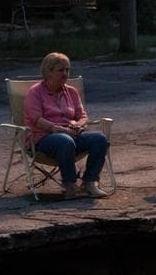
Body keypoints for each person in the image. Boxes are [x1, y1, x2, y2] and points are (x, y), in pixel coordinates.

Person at [24, 51, 109, 199]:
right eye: (61, 70)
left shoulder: (71, 92)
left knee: (99, 138)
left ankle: (90, 182)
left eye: (67, 70)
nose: (65, 74)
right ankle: (69, 185)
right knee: (65, 140)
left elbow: (82, 116)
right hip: (43, 138)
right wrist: (60, 129)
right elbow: (37, 120)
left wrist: (78, 125)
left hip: (71, 134)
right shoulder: (35, 92)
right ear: (48, 72)